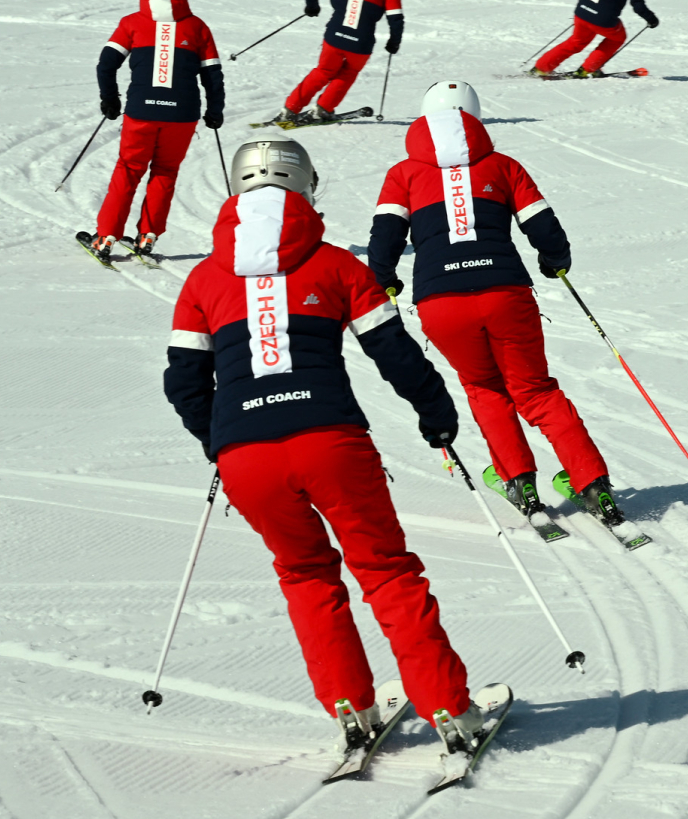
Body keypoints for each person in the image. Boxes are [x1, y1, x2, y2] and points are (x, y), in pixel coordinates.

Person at [162, 135, 504, 755]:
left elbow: (184, 381)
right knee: (387, 572)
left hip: (248, 459)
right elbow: (394, 353)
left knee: (304, 576)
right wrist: (438, 416)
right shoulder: (336, 264)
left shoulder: (203, 279)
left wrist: (218, 440)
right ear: (306, 187)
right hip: (332, 444)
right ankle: (452, 713)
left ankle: (352, 708)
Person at [365, 81, 624, 525]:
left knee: (485, 387)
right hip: (506, 292)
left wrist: (384, 279)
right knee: (536, 390)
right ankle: (591, 484)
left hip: (440, 302)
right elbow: (541, 225)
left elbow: (384, 238)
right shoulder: (502, 166)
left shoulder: (403, 174)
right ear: (476, 119)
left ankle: (518, 481)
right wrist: (554, 260)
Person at [86, 0, 223, 262]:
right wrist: (215, 110)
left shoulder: (131, 23)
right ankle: (147, 236)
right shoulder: (197, 27)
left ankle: (106, 237)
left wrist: (110, 99)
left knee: (128, 170)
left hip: (141, 113)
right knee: (165, 172)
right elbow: (212, 76)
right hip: (183, 116)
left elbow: (106, 65)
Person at [277, 0, 402, 124]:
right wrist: (394, 42)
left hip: (334, 38)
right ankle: (322, 110)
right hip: (360, 45)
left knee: (323, 71)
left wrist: (312, 7)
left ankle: (290, 109)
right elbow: (396, 19)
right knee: (348, 74)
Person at [532, 0, 658, 78]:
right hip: (604, 19)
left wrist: (593, 2)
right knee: (617, 38)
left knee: (576, 42)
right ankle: (587, 70)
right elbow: (638, 5)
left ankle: (541, 68)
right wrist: (651, 19)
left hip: (582, 12)